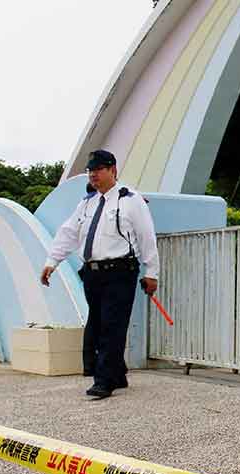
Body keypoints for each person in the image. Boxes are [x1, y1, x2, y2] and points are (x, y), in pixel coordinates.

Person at [40, 149, 160, 400]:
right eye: (90, 171)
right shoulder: (87, 203)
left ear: (112, 170)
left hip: (120, 272)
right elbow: (69, 233)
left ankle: (104, 381)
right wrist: (53, 261)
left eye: (98, 170)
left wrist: (152, 272)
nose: (93, 175)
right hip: (92, 274)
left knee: (112, 326)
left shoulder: (131, 200)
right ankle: (117, 373)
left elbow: (146, 236)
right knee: (97, 325)